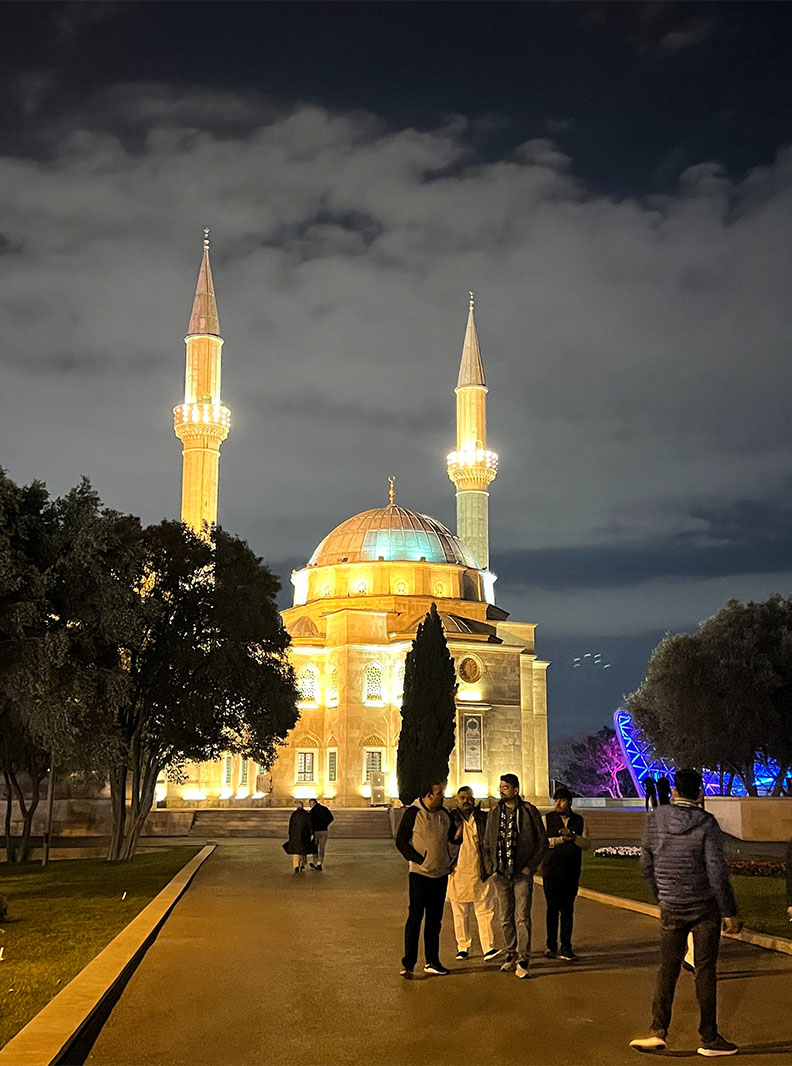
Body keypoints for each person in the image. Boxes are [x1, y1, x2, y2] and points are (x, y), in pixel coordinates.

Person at [630, 768, 741, 1057]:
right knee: (704, 970)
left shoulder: (655, 819)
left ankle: (658, 1030)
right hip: (704, 907)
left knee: (667, 969)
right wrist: (729, 909)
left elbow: (645, 864)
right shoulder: (707, 823)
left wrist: (661, 895)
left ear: (675, 792)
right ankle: (709, 1037)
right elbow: (717, 870)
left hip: (671, 906)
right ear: (700, 794)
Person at [483, 773, 548, 979]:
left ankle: (523, 959)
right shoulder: (495, 813)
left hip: (522, 873)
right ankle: (510, 954)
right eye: (500, 787)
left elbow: (541, 841)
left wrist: (530, 866)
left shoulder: (529, 811)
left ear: (516, 789)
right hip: (501, 873)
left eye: (505, 787)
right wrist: (492, 867)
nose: (501, 790)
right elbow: (486, 843)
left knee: (522, 917)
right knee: (505, 917)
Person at [396, 781, 459, 977]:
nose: (443, 797)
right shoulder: (414, 813)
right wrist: (418, 859)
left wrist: (451, 854)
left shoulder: (445, 814)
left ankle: (432, 961)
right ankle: (409, 963)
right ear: (428, 795)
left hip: (440, 875)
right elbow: (401, 841)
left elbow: (451, 838)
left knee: (435, 920)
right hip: (420, 875)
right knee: (415, 918)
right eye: (439, 793)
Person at [448, 786, 499, 961]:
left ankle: (488, 948)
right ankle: (463, 947)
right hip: (457, 871)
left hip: (480, 871)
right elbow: (445, 841)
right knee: (460, 914)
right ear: (457, 800)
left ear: (474, 799)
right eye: (462, 798)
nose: (466, 801)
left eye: (469, 798)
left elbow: (491, 841)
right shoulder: (450, 819)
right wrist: (456, 836)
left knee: (485, 912)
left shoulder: (483, 818)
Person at [542, 786, 590, 962]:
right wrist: (561, 839)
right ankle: (551, 946)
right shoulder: (546, 820)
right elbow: (542, 842)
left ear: (569, 802)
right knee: (552, 909)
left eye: (561, 800)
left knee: (568, 910)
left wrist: (573, 837)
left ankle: (566, 947)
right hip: (551, 871)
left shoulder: (579, 820)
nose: (557, 803)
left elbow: (586, 843)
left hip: (571, 871)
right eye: (556, 800)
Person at [282, 800, 316, 873]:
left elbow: (291, 826)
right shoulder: (306, 814)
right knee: (303, 850)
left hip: (295, 835)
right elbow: (309, 824)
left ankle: (296, 866)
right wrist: (311, 833)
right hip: (304, 835)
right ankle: (302, 864)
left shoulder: (294, 814)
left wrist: (290, 834)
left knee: (296, 851)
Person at [307, 797, 334, 870]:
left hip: (316, 831)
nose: (309, 805)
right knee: (322, 847)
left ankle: (315, 862)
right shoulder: (324, 809)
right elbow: (331, 818)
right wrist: (325, 824)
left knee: (315, 847)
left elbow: (309, 822)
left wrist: (311, 831)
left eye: (309, 803)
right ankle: (320, 862)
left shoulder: (312, 811)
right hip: (324, 831)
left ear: (313, 803)